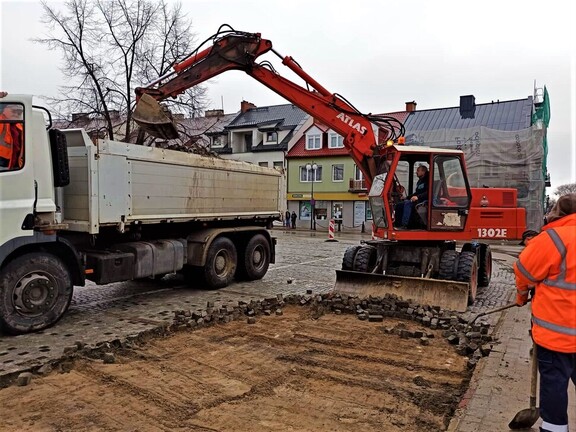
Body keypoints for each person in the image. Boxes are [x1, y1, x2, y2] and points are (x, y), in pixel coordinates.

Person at [514, 193, 576, 432]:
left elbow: (523, 272)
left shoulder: (551, 239)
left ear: (558, 212)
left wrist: (521, 297)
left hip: (556, 336)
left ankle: (554, 429)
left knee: (555, 384)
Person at [0, 101, 24, 170]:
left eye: (19, 112)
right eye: (13, 111)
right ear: (4, 110)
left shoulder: (19, 126)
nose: (16, 114)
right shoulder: (1, 121)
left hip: (15, 164)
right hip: (2, 164)